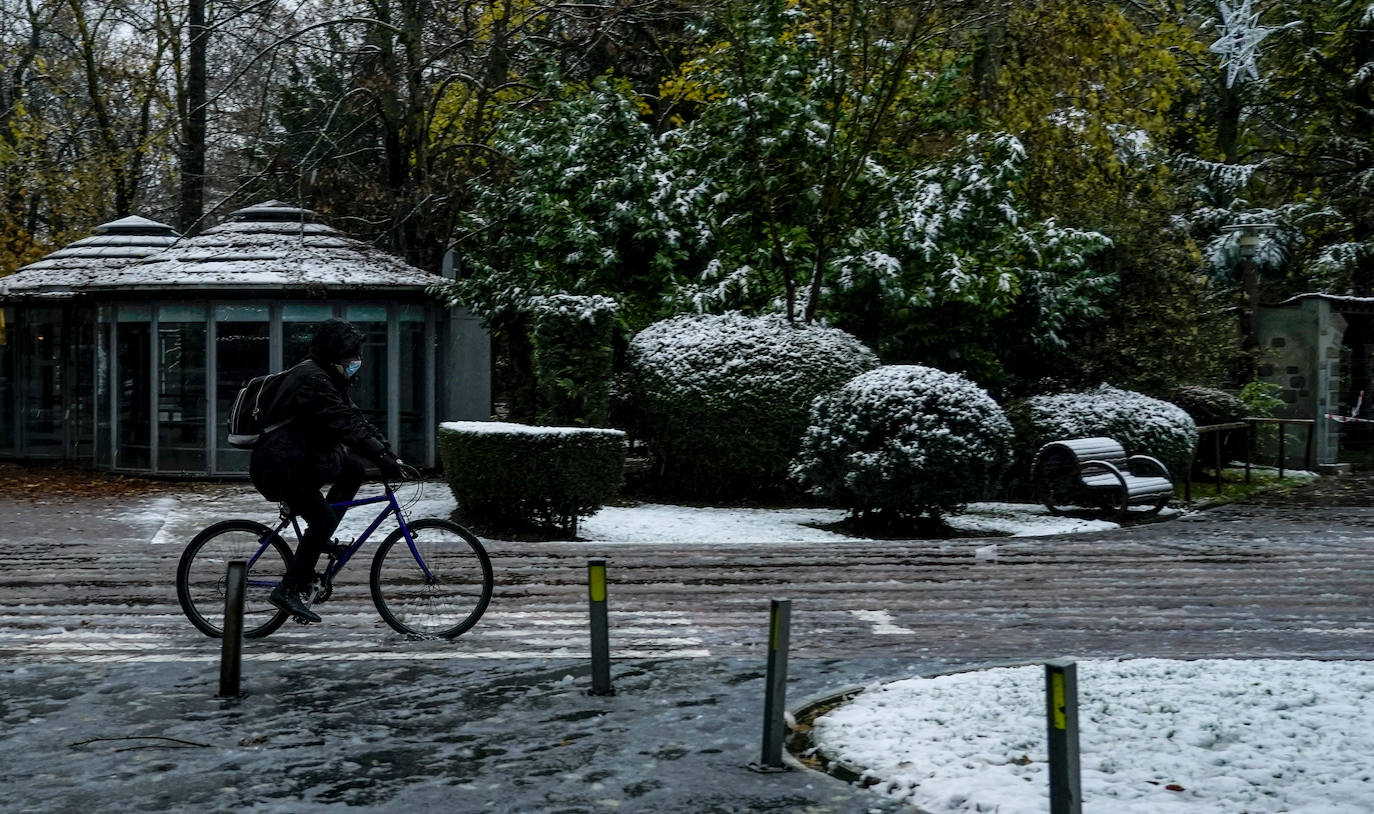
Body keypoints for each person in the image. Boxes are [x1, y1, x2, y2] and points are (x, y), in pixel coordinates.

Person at [250, 317, 406, 623]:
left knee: (354, 470)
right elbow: (344, 425)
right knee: (323, 518)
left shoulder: (326, 378)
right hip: (280, 466)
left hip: (299, 460)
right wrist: (383, 459)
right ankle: (288, 589)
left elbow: (355, 419)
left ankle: (319, 539)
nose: (356, 363)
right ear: (335, 355)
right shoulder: (313, 381)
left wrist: (387, 453)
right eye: (351, 357)